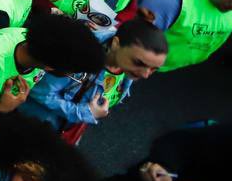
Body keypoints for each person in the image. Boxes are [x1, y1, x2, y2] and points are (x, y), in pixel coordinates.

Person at [19, 19, 167, 141]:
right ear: (116, 44)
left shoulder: (127, 66)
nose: (145, 75)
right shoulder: (78, 54)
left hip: (64, 130)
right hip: (31, 127)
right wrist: (85, 113)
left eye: (153, 69)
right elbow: (39, 91)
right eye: (139, 63)